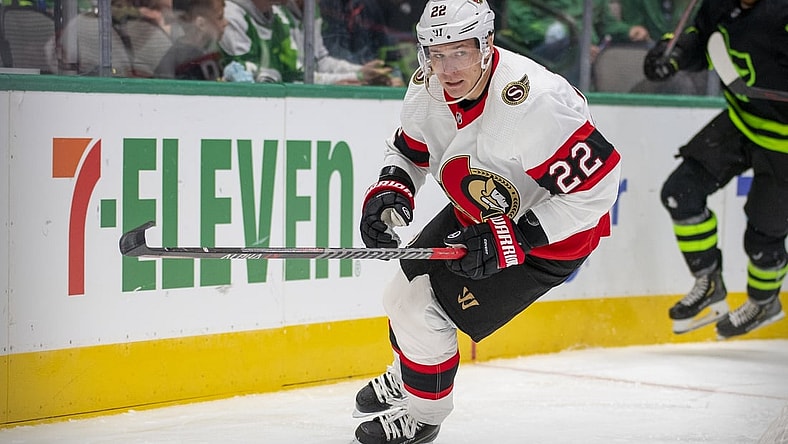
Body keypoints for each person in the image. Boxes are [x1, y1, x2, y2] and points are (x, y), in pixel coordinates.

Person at [353, 0, 622, 442]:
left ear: (487, 44)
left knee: (422, 309)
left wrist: (514, 236)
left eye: (460, 51)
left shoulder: (537, 101)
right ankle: (410, 374)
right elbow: (409, 151)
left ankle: (423, 416)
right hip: (477, 211)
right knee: (403, 292)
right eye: (436, 54)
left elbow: (597, 189)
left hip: (548, 242)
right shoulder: (428, 87)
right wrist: (391, 189)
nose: (447, 68)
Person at [644, 0, 788, 338]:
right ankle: (709, 282)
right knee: (681, 193)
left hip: (784, 143)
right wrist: (673, 53)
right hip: (741, 122)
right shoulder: (721, 3)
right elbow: (702, 41)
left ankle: (764, 301)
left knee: (763, 238)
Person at [497, 0, 648, 86]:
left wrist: (629, 31)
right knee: (578, 50)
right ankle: (574, 101)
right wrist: (571, 37)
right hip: (540, 51)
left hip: (592, 51)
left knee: (648, 48)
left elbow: (606, 24)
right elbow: (522, 25)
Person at [274, 0, 396, 85]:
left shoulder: (312, 9)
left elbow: (321, 59)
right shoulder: (278, 14)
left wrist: (361, 71)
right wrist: (357, 76)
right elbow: (298, 76)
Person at [154, 0, 228, 80]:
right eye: (220, 17)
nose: (226, 22)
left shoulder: (209, 50)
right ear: (201, 24)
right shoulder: (176, 58)